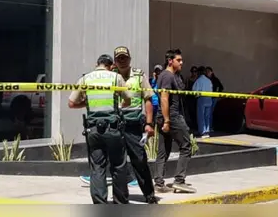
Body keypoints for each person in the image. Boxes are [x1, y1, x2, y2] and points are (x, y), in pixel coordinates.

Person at [68, 54, 132, 204]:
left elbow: (71, 103)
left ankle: (100, 205)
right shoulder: (115, 78)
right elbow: (128, 100)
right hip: (113, 129)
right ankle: (121, 203)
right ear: (111, 66)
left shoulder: (85, 79)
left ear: (96, 64)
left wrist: (87, 103)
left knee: (97, 168)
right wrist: (118, 106)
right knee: (118, 166)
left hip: (93, 130)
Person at [112, 47, 159, 204]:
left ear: (130, 59)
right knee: (118, 164)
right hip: (115, 125)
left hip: (133, 125)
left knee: (139, 160)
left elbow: (148, 99)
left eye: (125, 58)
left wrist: (149, 123)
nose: (122, 61)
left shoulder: (139, 75)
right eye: (119, 58)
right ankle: (120, 198)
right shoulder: (111, 77)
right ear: (115, 61)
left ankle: (149, 194)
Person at [153, 49, 194, 194]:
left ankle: (159, 183)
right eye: (179, 60)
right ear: (170, 61)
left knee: (163, 151)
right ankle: (179, 181)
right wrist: (167, 121)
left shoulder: (174, 76)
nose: (182, 62)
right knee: (186, 146)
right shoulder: (167, 76)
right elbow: (164, 98)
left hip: (169, 117)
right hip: (172, 117)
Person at [192, 66, 213, 138]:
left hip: (201, 98)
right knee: (207, 116)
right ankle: (207, 130)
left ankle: (202, 131)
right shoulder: (209, 80)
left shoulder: (198, 80)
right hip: (209, 98)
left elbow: (194, 90)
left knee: (201, 116)